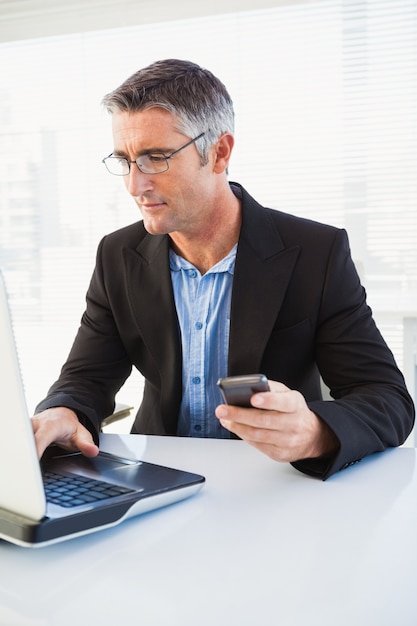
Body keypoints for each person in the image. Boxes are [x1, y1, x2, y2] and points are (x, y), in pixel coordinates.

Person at [32, 59, 415, 479]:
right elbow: (85, 378)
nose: (134, 185)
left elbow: (387, 399)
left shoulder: (316, 253)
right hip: (159, 478)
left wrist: (316, 432)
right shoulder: (118, 254)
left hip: (272, 485)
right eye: (125, 160)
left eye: (155, 158)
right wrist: (62, 411)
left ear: (219, 152)